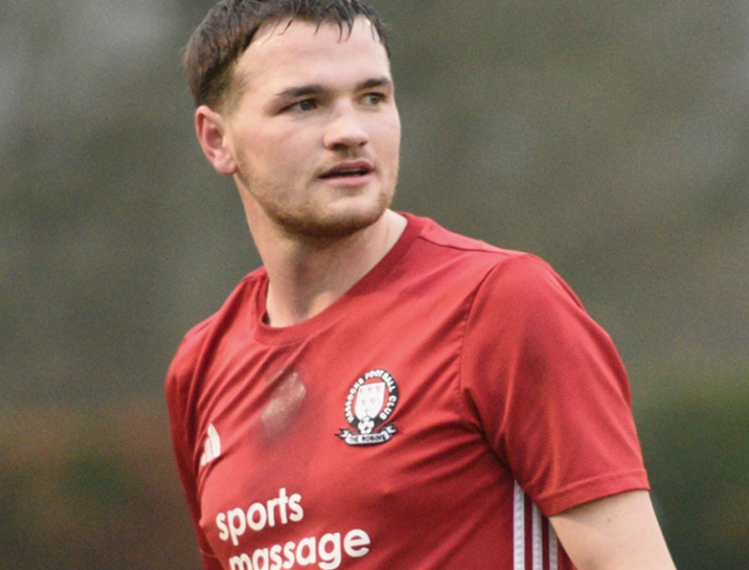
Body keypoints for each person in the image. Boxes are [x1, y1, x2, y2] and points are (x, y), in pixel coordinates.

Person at [166, 1, 677, 568]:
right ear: (217, 140)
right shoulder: (201, 366)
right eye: (305, 104)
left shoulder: (501, 303)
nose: (350, 132)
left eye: (373, 98)